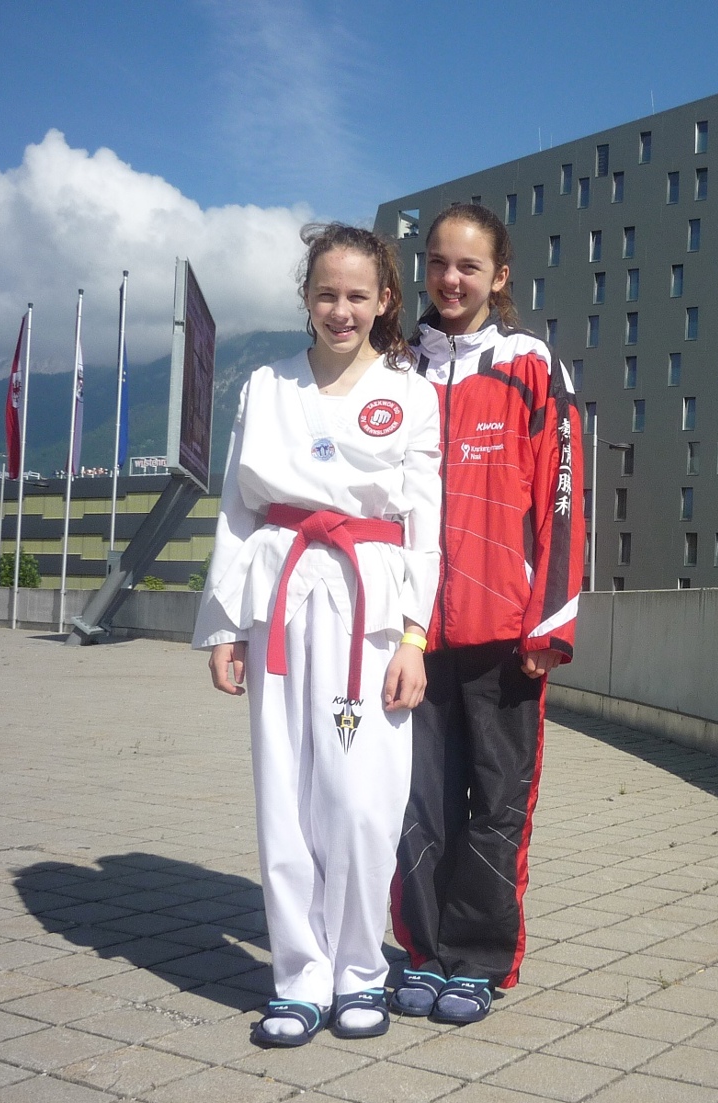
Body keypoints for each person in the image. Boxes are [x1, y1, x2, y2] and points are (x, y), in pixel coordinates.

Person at [193, 223, 441, 1048]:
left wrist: (416, 636)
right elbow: (238, 510)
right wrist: (225, 624)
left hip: (371, 605)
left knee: (362, 799)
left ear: (385, 300)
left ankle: (360, 969)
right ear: (306, 296)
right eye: (326, 293)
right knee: (286, 792)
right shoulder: (266, 385)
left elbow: (425, 525)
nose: (341, 310)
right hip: (282, 595)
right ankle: (299, 976)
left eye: (357, 295)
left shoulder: (411, 393)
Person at [390, 202, 585, 1024]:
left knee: (497, 805)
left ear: (499, 275)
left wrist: (551, 626)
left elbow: (564, 501)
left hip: (507, 635)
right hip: (412, 632)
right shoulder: (396, 366)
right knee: (418, 804)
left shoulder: (532, 366)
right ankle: (424, 950)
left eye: (468, 265)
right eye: (438, 262)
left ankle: (477, 958)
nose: (450, 278)